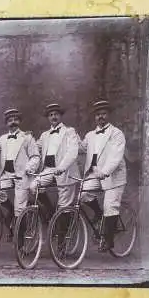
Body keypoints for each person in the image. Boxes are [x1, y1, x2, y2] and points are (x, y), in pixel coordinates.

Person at [79, 99, 127, 251]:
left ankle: (108, 240)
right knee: (83, 194)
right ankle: (99, 215)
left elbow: (115, 157)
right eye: (98, 114)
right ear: (95, 117)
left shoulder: (116, 134)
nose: (101, 117)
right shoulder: (90, 135)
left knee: (110, 206)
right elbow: (80, 148)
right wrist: (71, 137)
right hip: (94, 174)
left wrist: (105, 172)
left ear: (109, 115)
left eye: (104, 114)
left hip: (113, 176)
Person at [0, 108, 40, 237]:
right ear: (6, 123)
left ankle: (20, 241)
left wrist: (29, 168)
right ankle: (10, 211)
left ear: (19, 121)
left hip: (21, 175)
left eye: (15, 119)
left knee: (20, 208)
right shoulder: (2, 138)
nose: (13, 122)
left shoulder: (27, 137)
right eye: (10, 120)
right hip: (6, 175)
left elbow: (35, 156)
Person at [30, 103, 80, 215]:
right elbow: (35, 147)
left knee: (64, 205)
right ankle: (51, 211)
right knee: (34, 187)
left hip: (65, 170)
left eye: (56, 114)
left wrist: (62, 167)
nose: (53, 117)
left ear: (60, 116)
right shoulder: (45, 135)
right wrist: (27, 138)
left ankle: (63, 230)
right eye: (51, 115)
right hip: (48, 170)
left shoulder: (69, 131)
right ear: (48, 118)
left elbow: (72, 151)